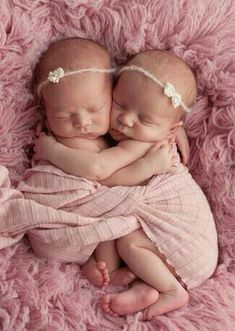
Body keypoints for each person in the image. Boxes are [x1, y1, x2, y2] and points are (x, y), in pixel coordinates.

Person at [34, 45, 218, 319]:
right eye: (119, 104)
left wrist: (51, 151)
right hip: (158, 234)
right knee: (116, 223)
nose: (125, 120)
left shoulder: (146, 145)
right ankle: (144, 286)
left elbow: (105, 176)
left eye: (143, 118)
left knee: (129, 240)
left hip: (185, 237)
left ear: (171, 129)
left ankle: (170, 290)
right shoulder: (148, 131)